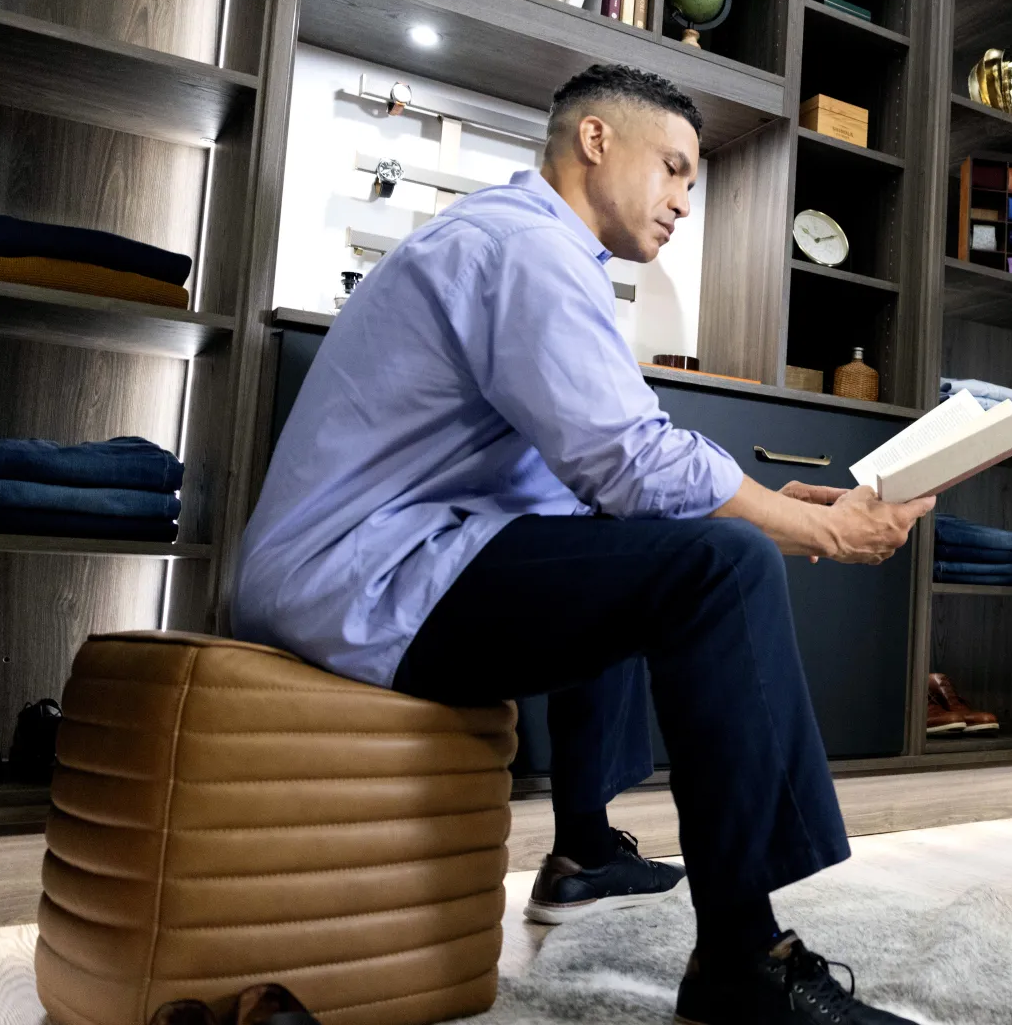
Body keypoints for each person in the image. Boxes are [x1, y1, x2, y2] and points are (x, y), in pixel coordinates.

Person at [233, 65, 932, 1025]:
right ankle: (742, 958)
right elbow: (630, 459)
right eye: (676, 171)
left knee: (642, 538)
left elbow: (615, 485)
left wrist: (774, 500)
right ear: (595, 140)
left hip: (399, 558)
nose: (685, 202)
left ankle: (587, 849)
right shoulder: (523, 249)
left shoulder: (522, 246)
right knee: (719, 564)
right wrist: (812, 526)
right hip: (363, 575)